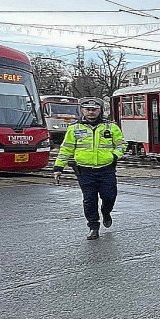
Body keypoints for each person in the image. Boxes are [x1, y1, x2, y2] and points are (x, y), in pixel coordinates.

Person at [53, 98, 126, 239]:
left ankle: (106, 212)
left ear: (100, 110)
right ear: (82, 110)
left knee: (109, 197)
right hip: (84, 171)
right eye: (88, 109)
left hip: (106, 170)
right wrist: (58, 167)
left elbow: (122, 145)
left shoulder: (111, 127)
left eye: (94, 109)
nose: (91, 112)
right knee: (89, 200)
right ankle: (93, 227)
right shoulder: (74, 128)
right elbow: (66, 149)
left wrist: (114, 156)